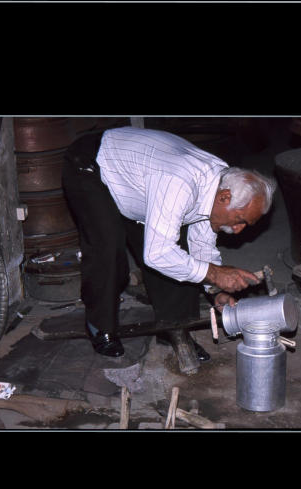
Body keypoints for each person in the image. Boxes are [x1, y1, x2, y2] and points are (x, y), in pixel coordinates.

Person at [62, 125, 277, 360]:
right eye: (240, 220)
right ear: (225, 198)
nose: (238, 230)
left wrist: (215, 291)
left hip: (139, 183)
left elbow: (201, 245)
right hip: (93, 165)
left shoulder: (218, 185)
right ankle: (100, 326)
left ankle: (174, 328)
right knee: (108, 249)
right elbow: (158, 254)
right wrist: (215, 274)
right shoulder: (181, 183)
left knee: (180, 258)